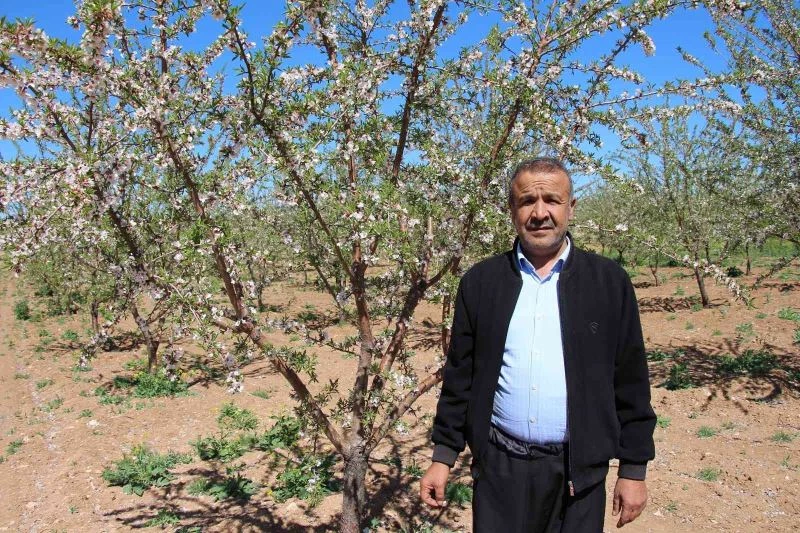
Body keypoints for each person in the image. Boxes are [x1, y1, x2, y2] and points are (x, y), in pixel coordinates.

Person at [419, 157, 656, 532]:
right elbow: (460, 377)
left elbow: (631, 381)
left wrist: (633, 469)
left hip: (579, 474)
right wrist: (443, 456)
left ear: (571, 208)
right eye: (528, 201)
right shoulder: (482, 283)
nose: (540, 212)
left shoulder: (608, 283)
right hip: (500, 470)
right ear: (512, 209)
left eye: (552, 200)